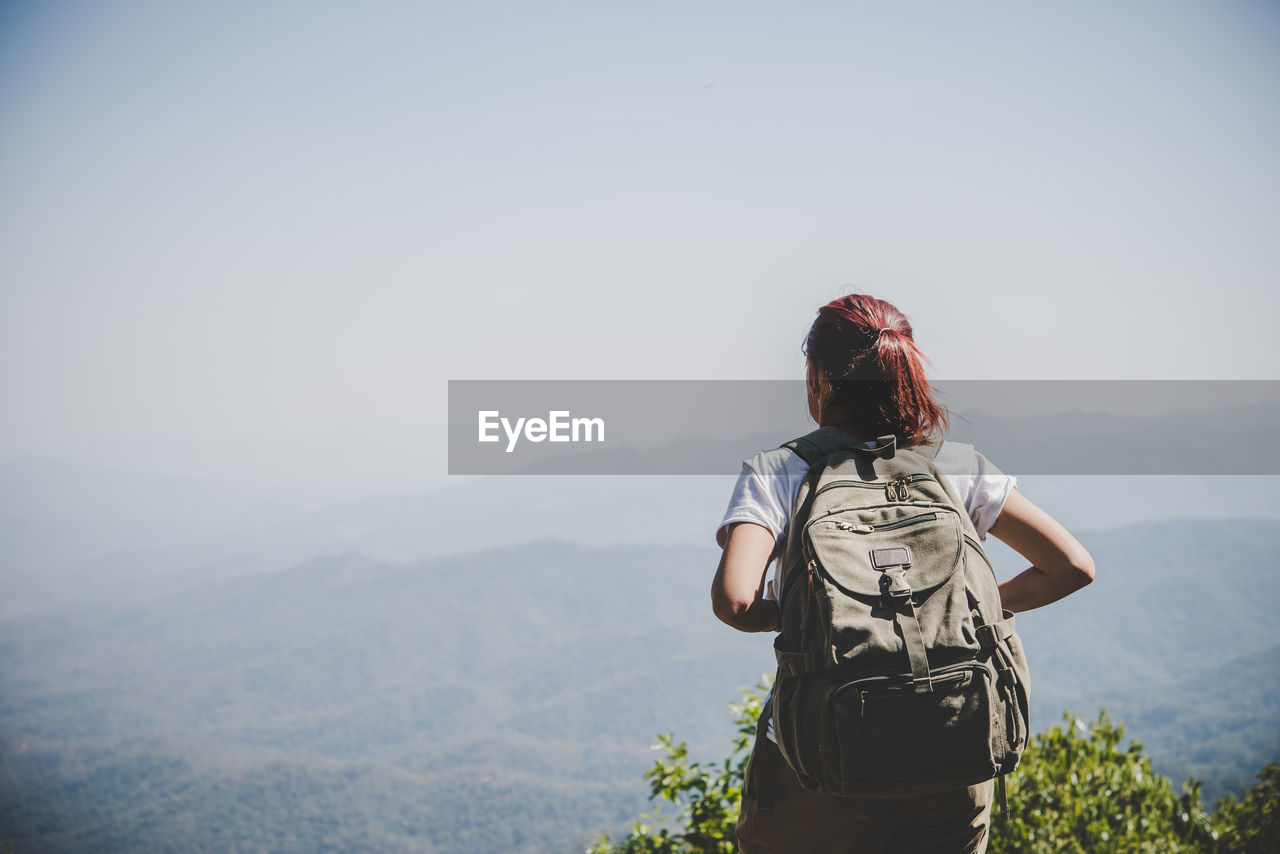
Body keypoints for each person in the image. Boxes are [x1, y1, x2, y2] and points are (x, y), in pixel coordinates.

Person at [711, 293, 1095, 854]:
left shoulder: (781, 471)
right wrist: (964, 613)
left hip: (822, 755)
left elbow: (735, 603)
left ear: (818, 376)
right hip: (955, 744)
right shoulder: (954, 464)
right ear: (903, 371)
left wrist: (828, 621)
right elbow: (1072, 567)